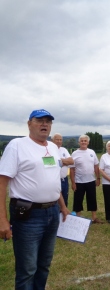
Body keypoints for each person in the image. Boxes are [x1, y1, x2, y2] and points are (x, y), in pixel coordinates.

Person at [0, 109, 69, 289]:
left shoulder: (53, 148)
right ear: (29, 123)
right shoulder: (17, 145)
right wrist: (2, 220)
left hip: (52, 212)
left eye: (48, 121)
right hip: (28, 215)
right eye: (39, 121)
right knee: (27, 269)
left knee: (44, 265)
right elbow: (2, 183)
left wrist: (62, 206)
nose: (44, 124)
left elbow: (53, 179)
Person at [70, 135, 103, 223]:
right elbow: (72, 169)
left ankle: (94, 218)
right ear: (79, 142)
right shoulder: (75, 153)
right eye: (82, 141)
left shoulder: (92, 152)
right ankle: (78, 218)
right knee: (78, 200)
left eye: (85, 141)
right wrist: (73, 183)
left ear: (88, 142)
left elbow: (96, 166)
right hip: (79, 181)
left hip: (91, 181)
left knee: (92, 199)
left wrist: (98, 178)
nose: (83, 142)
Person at [52, 133, 74, 207]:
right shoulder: (49, 150)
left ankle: (64, 217)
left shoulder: (64, 150)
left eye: (60, 140)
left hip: (64, 180)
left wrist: (58, 161)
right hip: (55, 180)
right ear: (52, 140)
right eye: (57, 139)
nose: (59, 141)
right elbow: (50, 164)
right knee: (56, 201)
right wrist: (65, 161)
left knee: (65, 200)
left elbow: (71, 161)